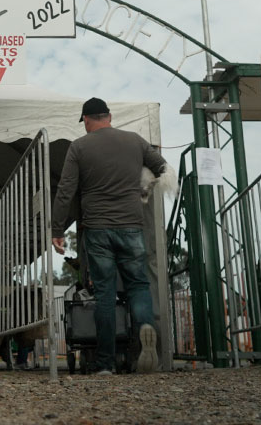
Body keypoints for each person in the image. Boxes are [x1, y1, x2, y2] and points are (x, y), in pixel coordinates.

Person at [51, 97, 167, 375]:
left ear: (87, 120)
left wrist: (57, 230)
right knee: (138, 285)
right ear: (110, 116)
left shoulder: (79, 147)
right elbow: (163, 168)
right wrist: (143, 189)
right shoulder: (136, 141)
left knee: (104, 294)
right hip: (132, 225)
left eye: (85, 122)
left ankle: (105, 364)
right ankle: (144, 334)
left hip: (98, 229)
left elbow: (66, 190)